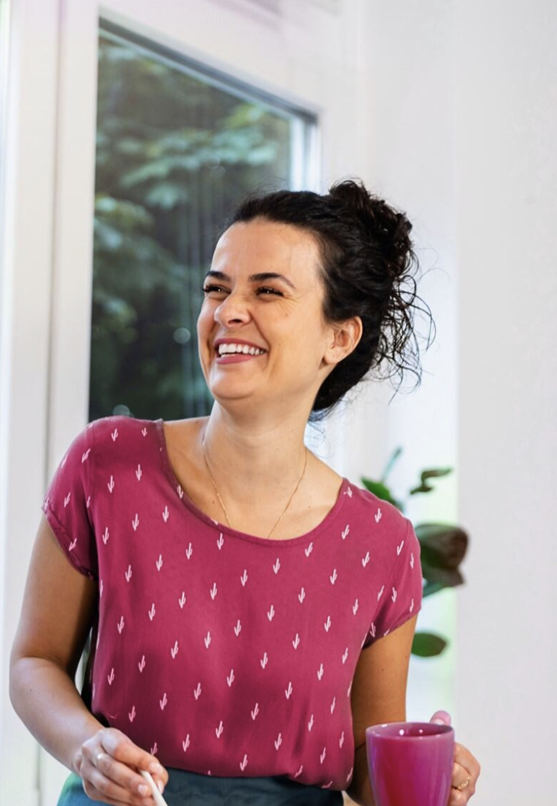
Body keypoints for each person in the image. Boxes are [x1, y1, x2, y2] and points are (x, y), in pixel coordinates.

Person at [9, 179, 481, 806]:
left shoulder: (382, 543)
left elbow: (368, 770)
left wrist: (432, 774)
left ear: (338, 338)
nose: (228, 310)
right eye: (217, 288)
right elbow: (33, 661)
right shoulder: (108, 466)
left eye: (267, 291)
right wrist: (83, 746)